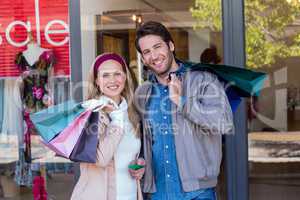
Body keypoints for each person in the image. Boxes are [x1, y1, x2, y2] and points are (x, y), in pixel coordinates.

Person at [133, 21, 234, 200]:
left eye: (157, 47)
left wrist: (181, 101)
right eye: (146, 52)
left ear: (171, 46)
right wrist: (140, 159)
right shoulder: (143, 93)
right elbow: (143, 140)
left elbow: (224, 122)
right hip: (158, 194)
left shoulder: (204, 80)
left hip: (198, 193)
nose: (154, 55)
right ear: (142, 58)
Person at [71, 53, 144, 200]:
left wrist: (141, 163)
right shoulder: (91, 114)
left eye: (117, 74)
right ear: (97, 81)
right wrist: (116, 120)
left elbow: (132, 153)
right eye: (105, 75)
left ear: (125, 78)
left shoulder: (133, 114)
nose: (112, 80)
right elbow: (101, 159)